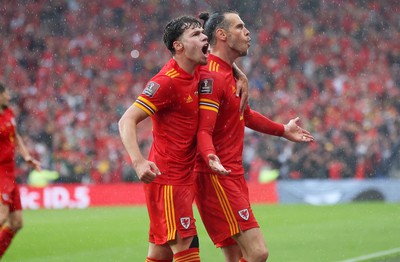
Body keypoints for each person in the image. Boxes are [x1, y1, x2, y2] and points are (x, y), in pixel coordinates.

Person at [195, 10, 315, 262]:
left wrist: (283, 130)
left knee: (235, 254)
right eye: (240, 27)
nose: (247, 32)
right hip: (217, 174)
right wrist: (210, 158)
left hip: (230, 173)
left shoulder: (229, 73)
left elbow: (245, 115)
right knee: (258, 252)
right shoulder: (212, 76)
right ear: (222, 35)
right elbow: (202, 129)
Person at [0, 83, 41, 258]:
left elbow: (15, 136)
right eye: (6, 93)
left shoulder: (9, 113)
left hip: (10, 172)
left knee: (16, 222)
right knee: (1, 217)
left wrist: (26, 156)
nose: (9, 96)